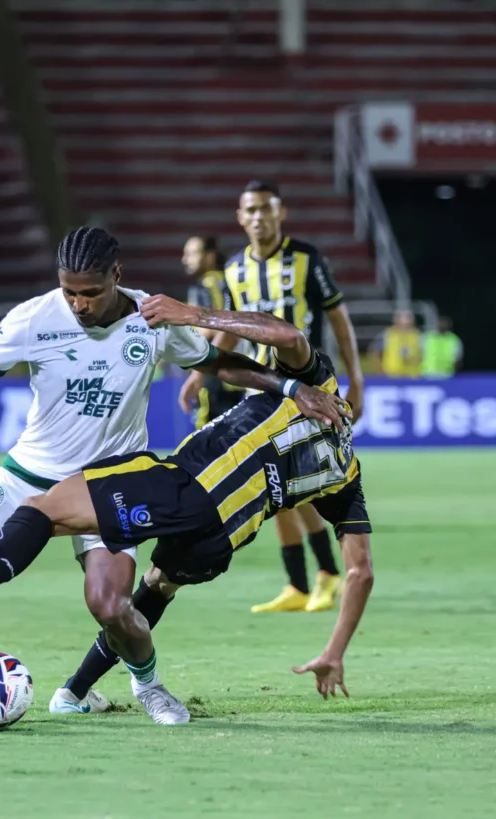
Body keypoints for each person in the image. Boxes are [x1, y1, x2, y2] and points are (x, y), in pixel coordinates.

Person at [0, 227, 348, 721]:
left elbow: (219, 363)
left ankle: (147, 684)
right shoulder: (34, 318)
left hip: (110, 482)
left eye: (91, 293)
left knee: (111, 607)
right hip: (29, 473)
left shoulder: (151, 319)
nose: (78, 304)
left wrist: (288, 388)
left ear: (116, 276)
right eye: (69, 292)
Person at [182, 180, 365, 615]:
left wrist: (356, 376)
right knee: (275, 489)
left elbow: (338, 317)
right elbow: (225, 322)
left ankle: (328, 575)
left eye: (267, 208)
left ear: (280, 212)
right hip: (263, 390)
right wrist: (196, 370)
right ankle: (300, 584)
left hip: (309, 390)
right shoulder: (232, 269)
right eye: (251, 210)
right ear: (240, 218)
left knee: (305, 487)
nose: (259, 217)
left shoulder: (306, 259)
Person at [182, 235, 246, 427]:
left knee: (205, 439)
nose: (185, 260)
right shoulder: (228, 280)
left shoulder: (206, 285)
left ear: (209, 257)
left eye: (192, 254)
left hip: (212, 373)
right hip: (236, 373)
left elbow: (207, 329)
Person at [372, 309, 422, 378]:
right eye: (402, 322)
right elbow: (375, 354)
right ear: (396, 321)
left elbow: (421, 356)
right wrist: (380, 372)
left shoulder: (416, 335)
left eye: (407, 322)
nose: (405, 324)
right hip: (391, 376)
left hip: (411, 376)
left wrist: (412, 361)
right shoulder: (387, 334)